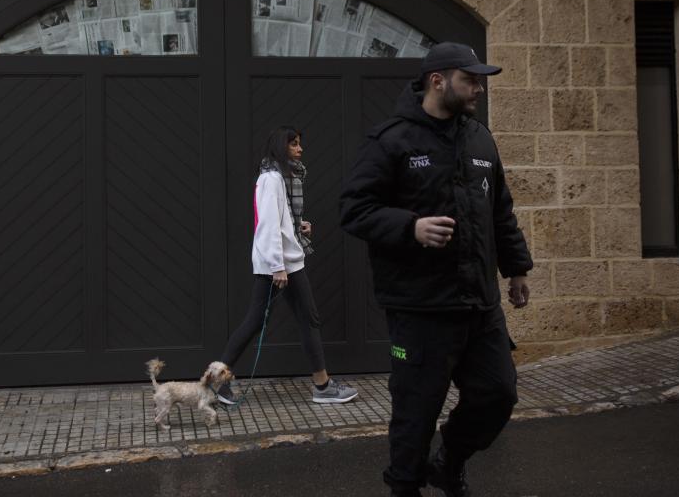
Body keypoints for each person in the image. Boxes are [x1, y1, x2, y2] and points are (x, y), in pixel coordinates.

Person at [340, 42, 532, 497]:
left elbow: (499, 210)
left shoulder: (480, 138)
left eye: (480, 80)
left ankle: (449, 464)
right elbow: (354, 209)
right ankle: (404, 486)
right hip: (420, 306)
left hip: (478, 304)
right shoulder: (392, 140)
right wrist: (411, 227)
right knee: (416, 413)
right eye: (470, 80)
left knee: (498, 394)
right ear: (437, 81)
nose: (478, 89)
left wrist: (517, 268)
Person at [217, 125, 358, 406]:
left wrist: (298, 226)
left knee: (306, 319)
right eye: (294, 144)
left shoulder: (281, 177)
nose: (300, 149)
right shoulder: (271, 178)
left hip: (287, 260)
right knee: (257, 320)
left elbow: (280, 219)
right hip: (280, 264)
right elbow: (267, 224)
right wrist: (276, 265)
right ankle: (217, 382)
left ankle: (322, 385)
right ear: (282, 147)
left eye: (298, 144)